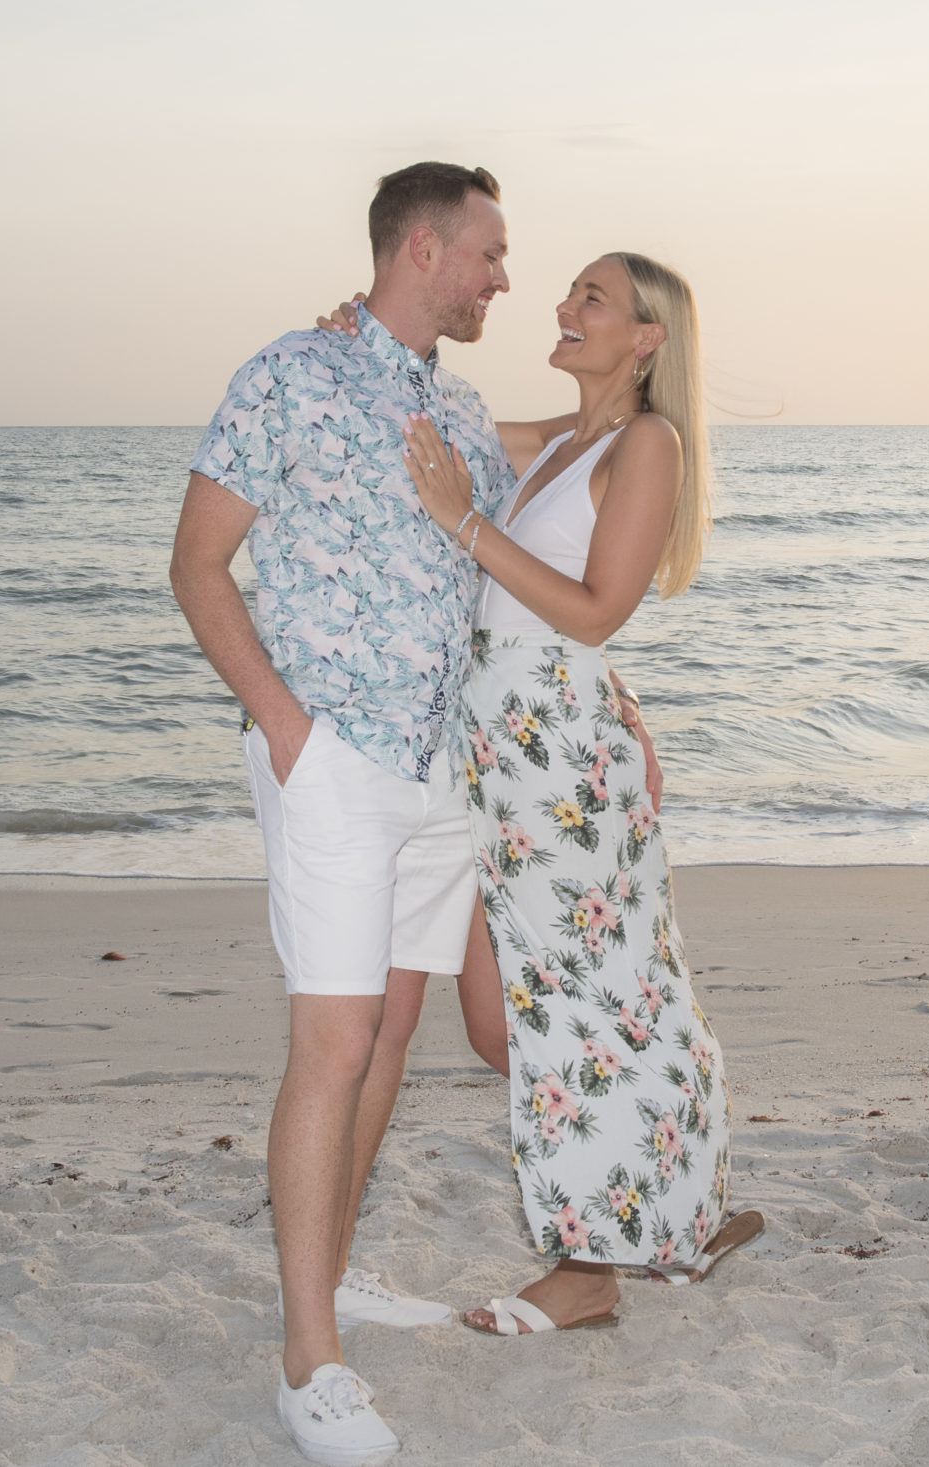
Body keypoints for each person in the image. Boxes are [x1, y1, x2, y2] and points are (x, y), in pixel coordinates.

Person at [169, 161, 513, 1465]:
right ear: (423, 247)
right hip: (334, 758)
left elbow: (518, 524)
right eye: (488, 252)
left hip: (438, 770)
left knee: (394, 1030)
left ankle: (330, 1268)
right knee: (336, 1038)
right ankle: (308, 1358)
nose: (501, 277)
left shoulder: (461, 408)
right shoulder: (289, 374)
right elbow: (197, 563)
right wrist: (283, 723)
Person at [370, 251, 761, 1335]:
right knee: (504, 1019)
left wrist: (465, 524)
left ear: (647, 337)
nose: (564, 306)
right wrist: (361, 332)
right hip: (506, 753)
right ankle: (677, 1207)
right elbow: (419, 424)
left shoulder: (649, 443)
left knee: (578, 1008)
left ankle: (590, 1265)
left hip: (561, 763)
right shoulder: (558, 442)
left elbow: (594, 611)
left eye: (593, 297)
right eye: (571, 291)